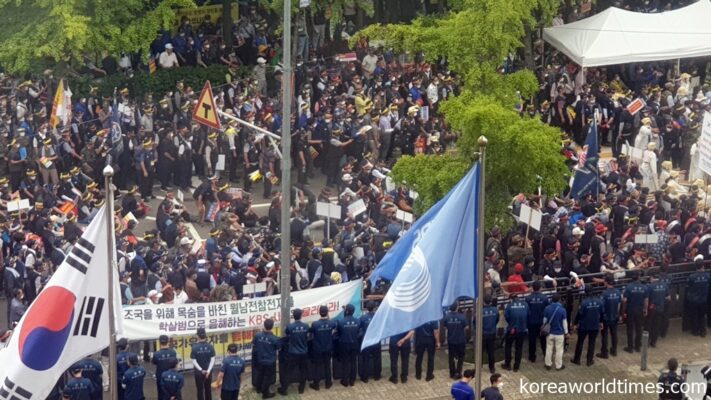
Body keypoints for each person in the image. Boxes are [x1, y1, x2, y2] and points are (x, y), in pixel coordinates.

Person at [279, 308, 309, 395]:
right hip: (303, 352)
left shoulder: (290, 327)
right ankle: (301, 389)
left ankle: (284, 389)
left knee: (289, 371)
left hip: (293, 353)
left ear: (294, 317)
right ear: (301, 316)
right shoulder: (306, 326)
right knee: (303, 370)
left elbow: (287, 333)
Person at [572, 285, 604, 366]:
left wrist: (575, 324)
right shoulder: (599, 301)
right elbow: (602, 313)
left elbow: (579, 314)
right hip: (594, 325)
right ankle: (589, 361)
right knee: (592, 343)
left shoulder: (584, 303)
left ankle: (577, 359)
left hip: (584, 326)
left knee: (580, 342)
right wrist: (601, 322)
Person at [310, 305, 337, 390]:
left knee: (317, 366)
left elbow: (312, 333)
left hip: (318, 348)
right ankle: (328, 383)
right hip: (328, 347)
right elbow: (332, 324)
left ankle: (316, 384)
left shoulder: (315, 324)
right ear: (327, 312)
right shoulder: (331, 323)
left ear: (319, 312)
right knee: (327, 365)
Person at [252, 318, 280, 399]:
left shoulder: (257, 335)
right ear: (272, 327)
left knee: (260, 374)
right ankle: (265, 394)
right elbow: (279, 348)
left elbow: (254, 344)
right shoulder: (275, 338)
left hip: (260, 360)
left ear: (264, 325)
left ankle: (258, 389)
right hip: (270, 361)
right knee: (267, 378)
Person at [623, 271, 649, 352]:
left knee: (630, 329)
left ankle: (630, 347)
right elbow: (646, 300)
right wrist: (645, 309)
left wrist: (623, 311)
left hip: (630, 310)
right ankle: (637, 346)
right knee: (639, 329)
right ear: (639, 277)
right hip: (640, 310)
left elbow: (624, 300)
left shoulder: (628, 287)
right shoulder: (644, 287)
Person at [502, 294, 528, 372]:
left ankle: (507, 364)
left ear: (511, 299)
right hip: (522, 330)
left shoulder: (509, 306)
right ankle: (516, 366)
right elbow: (528, 315)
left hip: (512, 330)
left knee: (508, 347)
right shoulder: (525, 305)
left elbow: (506, 316)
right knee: (519, 348)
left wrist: (511, 323)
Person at [597, 275, 622, 358]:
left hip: (605, 317)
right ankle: (614, 350)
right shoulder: (618, 292)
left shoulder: (604, 294)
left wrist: (600, 319)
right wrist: (618, 315)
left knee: (604, 335)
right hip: (614, 316)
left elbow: (601, 307)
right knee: (614, 334)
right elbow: (619, 305)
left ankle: (604, 353)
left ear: (606, 282)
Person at [543, 293, 568, 371]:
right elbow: (564, 322)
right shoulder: (562, 310)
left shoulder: (547, 308)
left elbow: (544, 321)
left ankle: (548, 364)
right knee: (559, 350)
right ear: (559, 300)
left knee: (549, 348)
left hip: (549, 333)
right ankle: (558, 366)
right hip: (559, 333)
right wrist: (566, 332)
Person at [525, 281, 549, 363]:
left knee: (532, 340)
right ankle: (546, 355)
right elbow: (547, 310)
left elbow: (527, 311)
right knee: (543, 339)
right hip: (542, 322)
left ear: (532, 288)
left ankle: (532, 357)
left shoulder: (528, 298)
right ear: (540, 288)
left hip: (531, 322)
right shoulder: (545, 298)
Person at [337, 303, 361, 387]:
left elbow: (338, 333)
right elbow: (359, 333)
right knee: (354, 362)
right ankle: (352, 380)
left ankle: (345, 380)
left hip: (344, 344)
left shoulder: (340, 322)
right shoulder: (358, 321)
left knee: (345, 363)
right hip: (354, 344)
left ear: (346, 311)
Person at [359, 301, 382, 382]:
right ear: (375, 308)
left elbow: (359, 328)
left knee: (365, 359)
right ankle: (377, 376)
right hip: (376, 341)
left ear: (367, 309)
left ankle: (365, 377)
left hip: (367, 341)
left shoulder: (362, 318)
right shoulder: (378, 317)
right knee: (377, 359)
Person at [190, 327, 216, 400]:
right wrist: (208, 371)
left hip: (198, 372)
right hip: (208, 372)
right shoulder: (210, 346)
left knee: (200, 390)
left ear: (198, 336)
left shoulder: (194, 347)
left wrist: (201, 370)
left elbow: (194, 360)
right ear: (205, 335)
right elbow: (212, 359)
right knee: (208, 389)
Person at [444, 302, 467, 379]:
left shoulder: (447, 317)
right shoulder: (462, 317)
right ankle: (458, 372)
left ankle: (452, 373)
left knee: (451, 357)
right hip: (460, 340)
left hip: (451, 340)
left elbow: (445, 327)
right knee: (461, 357)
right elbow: (466, 327)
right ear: (457, 307)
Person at [686, 260, 710, 337]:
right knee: (702, 316)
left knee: (694, 316)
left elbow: (688, 287)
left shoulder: (691, 277)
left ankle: (695, 331)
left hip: (693, 299)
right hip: (704, 299)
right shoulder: (708, 276)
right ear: (703, 266)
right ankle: (703, 331)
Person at [647, 271, 671, 347]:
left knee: (649, 324)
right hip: (660, 308)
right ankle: (654, 342)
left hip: (651, 308)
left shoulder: (650, 286)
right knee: (656, 325)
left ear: (652, 278)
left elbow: (647, 298)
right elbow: (668, 297)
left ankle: (647, 339)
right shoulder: (664, 285)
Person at [152, 335, 177, 399]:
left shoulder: (156, 354)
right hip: (171, 377)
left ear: (160, 342)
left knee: (161, 394)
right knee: (172, 394)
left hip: (160, 377)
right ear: (168, 341)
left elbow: (154, 362)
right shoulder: (173, 352)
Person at [482, 295, 499, 374]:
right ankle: (492, 368)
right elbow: (497, 320)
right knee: (491, 352)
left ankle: (479, 366)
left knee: (480, 351)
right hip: (492, 333)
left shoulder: (481, 311)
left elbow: (476, 322)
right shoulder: (495, 310)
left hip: (483, 334)